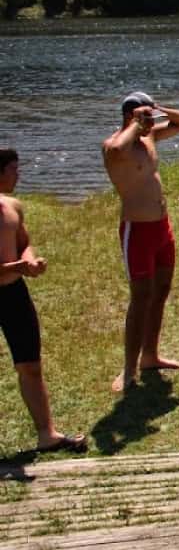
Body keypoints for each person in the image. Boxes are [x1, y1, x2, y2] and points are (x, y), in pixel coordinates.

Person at [102, 92, 179, 392]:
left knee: (161, 290)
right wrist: (135, 122)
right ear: (129, 117)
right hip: (137, 230)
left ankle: (150, 355)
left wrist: (156, 109)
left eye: (151, 118)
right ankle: (129, 369)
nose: (151, 122)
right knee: (140, 297)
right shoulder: (115, 144)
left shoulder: (150, 136)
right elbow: (117, 148)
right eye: (146, 118)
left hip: (161, 227)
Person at [1, 149, 86, 453]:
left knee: (30, 365)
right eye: (14, 169)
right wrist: (17, 267)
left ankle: (46, 435)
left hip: (13, 293)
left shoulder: (13, 206)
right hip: (10, 281)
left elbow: (23, 242)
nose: (19, 174)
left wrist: (30, 260)